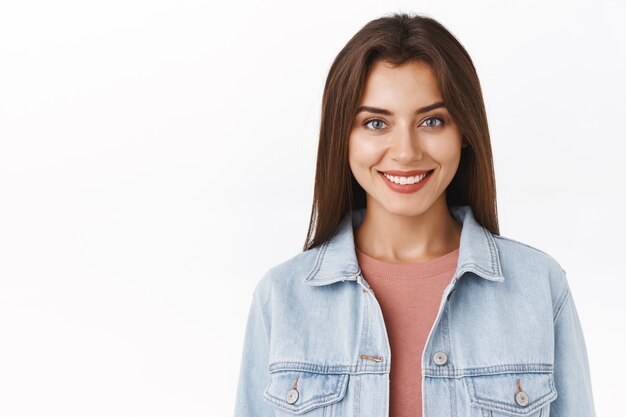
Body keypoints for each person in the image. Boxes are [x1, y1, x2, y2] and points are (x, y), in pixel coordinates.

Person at [233, 12, 596, 417]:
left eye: (432, 121)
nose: (406, 151)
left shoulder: (538, 287)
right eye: (375, 123)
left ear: (464, 133)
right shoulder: (281, 298)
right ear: (343, 138)